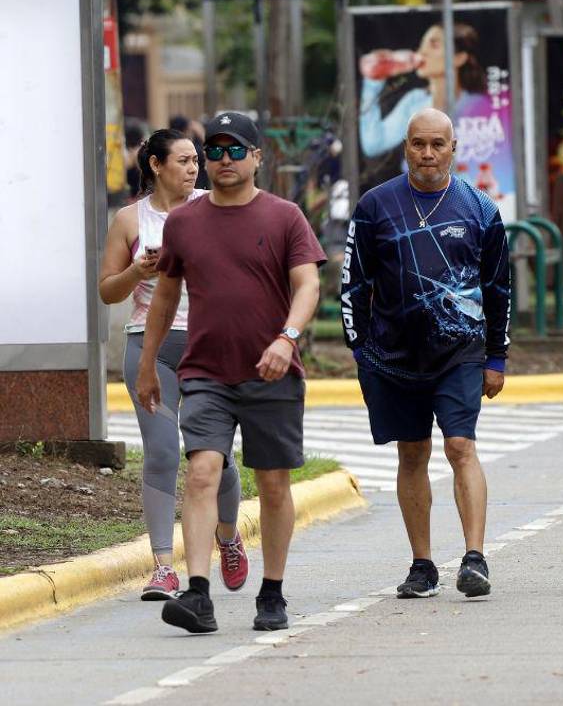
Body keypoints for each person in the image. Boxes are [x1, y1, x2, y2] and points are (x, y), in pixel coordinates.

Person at [138, 111, 325, 634]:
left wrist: (287, 339)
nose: (223, 160)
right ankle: (199, 594)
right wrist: (150, 363)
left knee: (272, 484)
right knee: (201, 472)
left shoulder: (285, 216)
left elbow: (307, 285)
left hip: (272, 373)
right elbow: (165, 296)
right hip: (205, 372)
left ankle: (273, 592)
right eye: (213, 151)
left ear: (257, 157)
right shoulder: (184, 222)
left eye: (235, 150)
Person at [342, 108, 511, 600]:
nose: (428, 153)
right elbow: (353, 281)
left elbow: (498, 287)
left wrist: (496, 356)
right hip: (393, 356)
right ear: (406, 146)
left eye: (438, 144)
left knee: (461, 447)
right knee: (411, 452)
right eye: (419, 144)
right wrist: (360, 349)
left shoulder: (480, 209)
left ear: (454, 149)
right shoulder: (375, 205)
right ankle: (422, 564)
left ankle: (474, 558)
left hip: (460, 351)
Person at [98, 129, 245, 600]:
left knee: (214, 455)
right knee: (161, 453)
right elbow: (107, 292)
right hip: (150, 346)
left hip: (208, 345)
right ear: (156, 165)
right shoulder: (128, 219)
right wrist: (136, 271)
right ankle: (164, 564)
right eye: (182, 161)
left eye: (195, 161)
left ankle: (228, 536)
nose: (193, 169)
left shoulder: (214, 206)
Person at [358, 23, 489, 158]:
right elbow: (374, 145)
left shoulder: (479, 106)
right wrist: (373, 84)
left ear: (459, 58)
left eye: (434, 45)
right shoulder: (415, 101)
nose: (422, 52)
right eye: (421, 45)